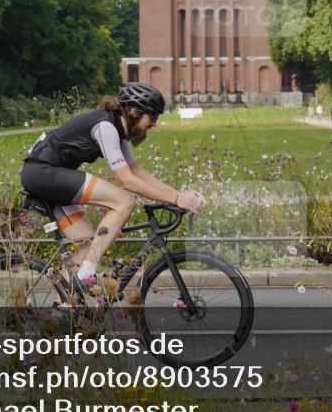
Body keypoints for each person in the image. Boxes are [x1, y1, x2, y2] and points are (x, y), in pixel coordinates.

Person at [21, 82, 206, 295]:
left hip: (49, 177)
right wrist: (176, 198)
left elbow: (137, 172)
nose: (154, 123)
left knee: (86, 248)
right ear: (135, 112)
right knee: (124, 200)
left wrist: (179, 195)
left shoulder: (119, 131)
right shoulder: (106, 127)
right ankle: (87, 275)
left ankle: (63, 310)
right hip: (43, 172)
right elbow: (128, 182)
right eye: (153, 117)